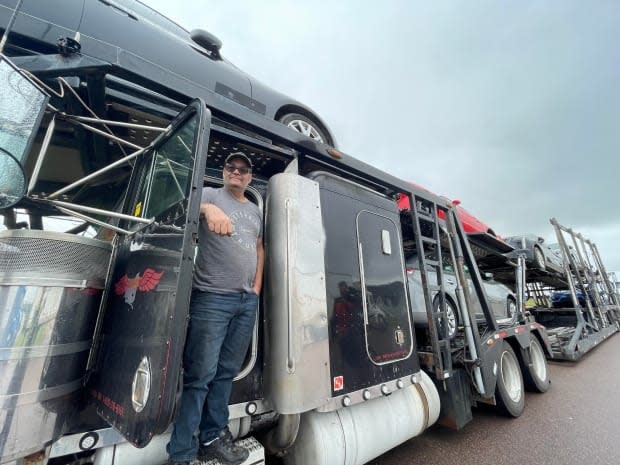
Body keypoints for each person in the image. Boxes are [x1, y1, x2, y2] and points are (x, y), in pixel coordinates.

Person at [168, 152, 264, 465]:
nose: (236, 172)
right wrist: (207, 208)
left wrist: (256, 289)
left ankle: (212, 437)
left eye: (243, 170)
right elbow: (178, 208)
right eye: (231, 168)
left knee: (225, 373)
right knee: (200, 375)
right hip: (211, 298)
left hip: (245, 302)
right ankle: (181, 453)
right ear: (223, 172)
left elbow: (260, 247)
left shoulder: (254, 210)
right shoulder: (209, 194)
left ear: (250, 177)